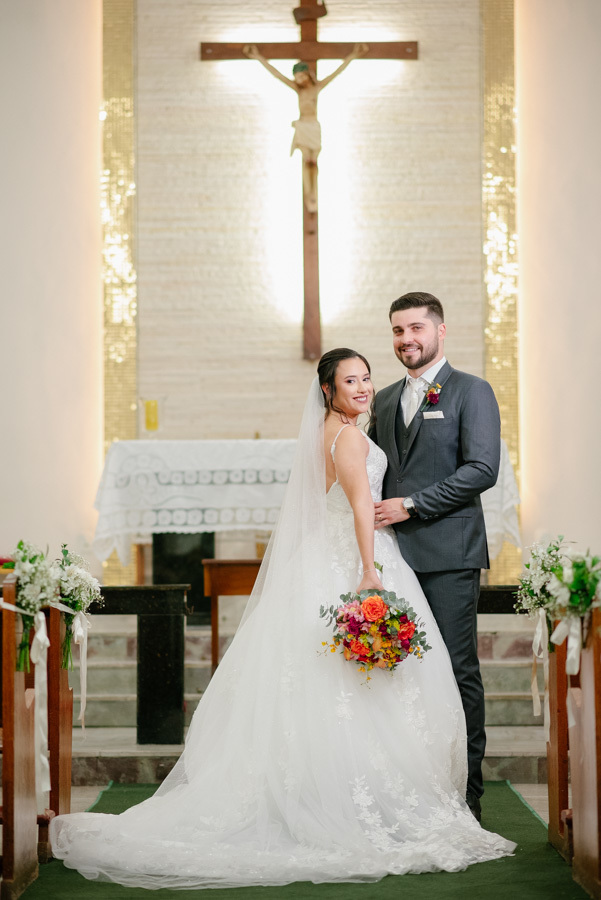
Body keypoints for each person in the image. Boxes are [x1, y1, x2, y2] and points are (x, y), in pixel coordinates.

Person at [50, 349, 513, 890]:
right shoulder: (349, 438)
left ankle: (321, 793)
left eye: (367, 378)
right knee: (368, 684)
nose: (364, 388)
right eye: (350, 381)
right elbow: (360, 506)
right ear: (328, 390)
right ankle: (359, 799)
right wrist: (369, 570)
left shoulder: (325, 432)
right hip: (360, 556)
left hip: (325, 556)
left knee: (333, 683)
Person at [369, 292, 501, 823]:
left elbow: (482, 469)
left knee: (455, 668)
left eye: (416, 328)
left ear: (440, 331)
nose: (407, 339)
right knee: (400, 672)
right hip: (392, 559)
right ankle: (413, 788)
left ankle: (467, 794)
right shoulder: (382, 400)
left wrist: (413, 504)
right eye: (398, 330)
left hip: (448, 553)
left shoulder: (472, 391)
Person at [243, 43, 368, 212]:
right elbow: (276, 74)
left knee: (314, 162)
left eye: (301, 76)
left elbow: (337, 72)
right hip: (302, 126)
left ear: (308, 75)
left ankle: (314, 193)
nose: (299, 80)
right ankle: (308, 194)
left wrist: (352, 56)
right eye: (297, 77)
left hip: (313, 127)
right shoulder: (298, 90)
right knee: (305, 160)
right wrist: (258, 57)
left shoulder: (317, 88)